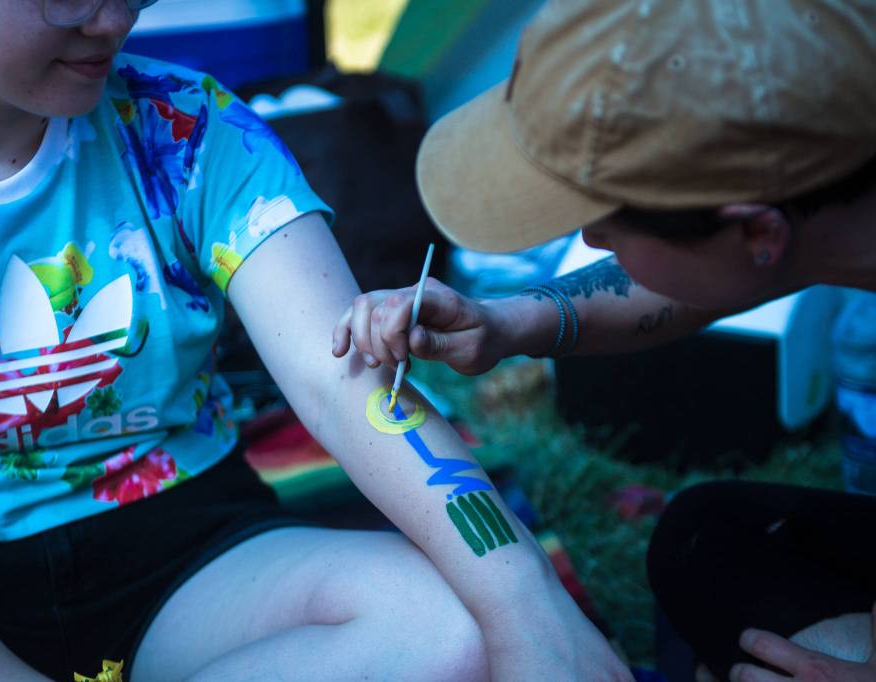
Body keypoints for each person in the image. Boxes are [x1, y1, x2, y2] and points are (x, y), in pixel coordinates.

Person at [0, 1, 636, 681]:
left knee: (452, 635)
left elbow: (343, 384)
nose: (117, 20)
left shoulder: (186, 128)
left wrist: (525, 602)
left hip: (185, 561)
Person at [332, 0, 876, 679]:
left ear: (759, 232)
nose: (589, 241)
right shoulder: (823, 209)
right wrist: (503, 324)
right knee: (701, 536)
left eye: (605, 223)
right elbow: (683, 279)